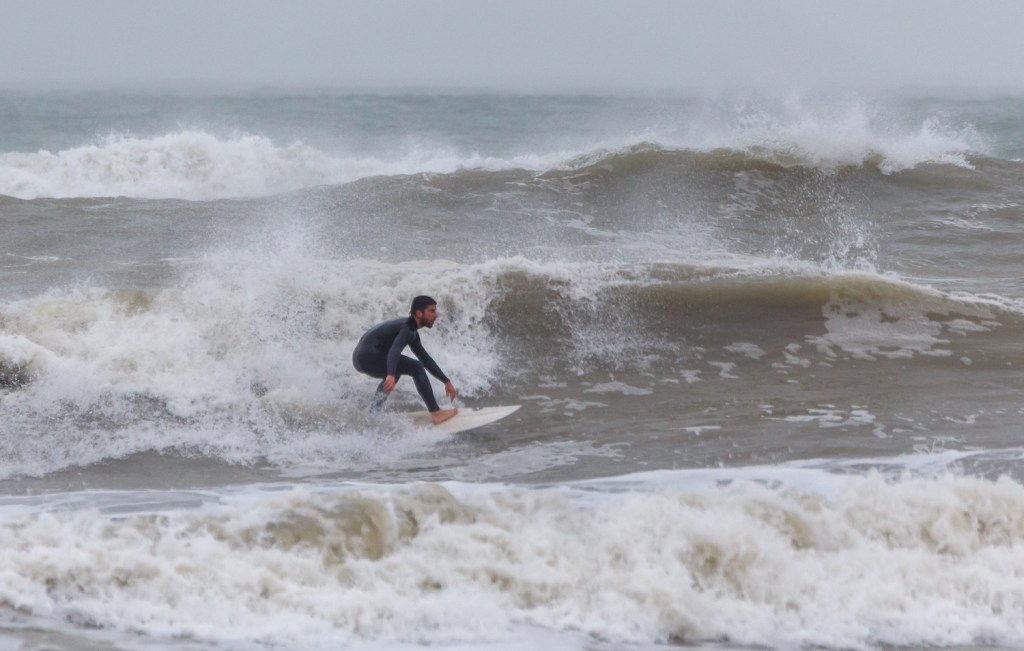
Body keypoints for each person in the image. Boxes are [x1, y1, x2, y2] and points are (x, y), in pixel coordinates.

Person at [352, 295, 459, 425]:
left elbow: (425, 358)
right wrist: (390, 374)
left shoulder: (410, 330)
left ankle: (374, 414)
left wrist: (446, 381)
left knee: (397, 370)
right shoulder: (407, 329)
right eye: (432, 311)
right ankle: (436, 413)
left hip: (359, 358)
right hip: (368, 356)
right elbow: (394, 350)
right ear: (419, 313)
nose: (436, 315)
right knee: (415, 367)